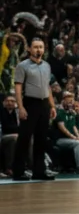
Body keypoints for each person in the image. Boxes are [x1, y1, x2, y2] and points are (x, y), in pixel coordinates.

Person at [13, 37, 56, 181]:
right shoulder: (22, 66)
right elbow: (18, 87)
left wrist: (52, 105)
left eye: (41, 47)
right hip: (30, 103)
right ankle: (18, 171)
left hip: (44, 104)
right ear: (29, 49)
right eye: (36, 47)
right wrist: (20, 107)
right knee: (24, 138)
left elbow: (48, 87)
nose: (39, 50)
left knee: (41, 138)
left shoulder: (47, 66)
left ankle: (39, 171)